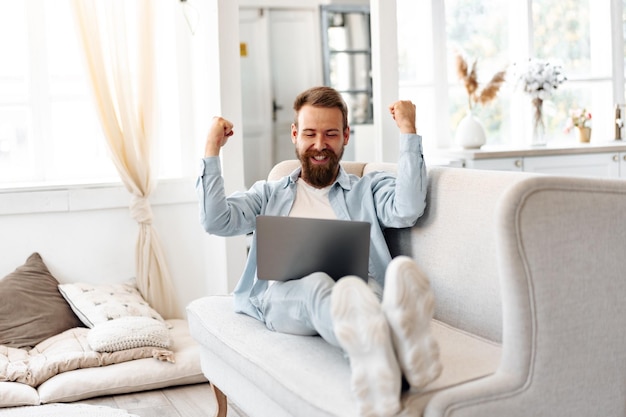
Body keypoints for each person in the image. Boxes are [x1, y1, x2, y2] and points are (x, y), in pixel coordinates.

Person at [196, 86, 442, 417]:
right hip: (285, 298)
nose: (319, 145)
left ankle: (393, 342)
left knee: (357, 289)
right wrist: (212, 149)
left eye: (330, 134)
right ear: (295, 136)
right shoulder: (269, 195)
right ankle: (397, 339)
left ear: (345, 137)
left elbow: (408, 207)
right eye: (310, 133)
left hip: (358, 290)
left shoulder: (366, 189)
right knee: (318, 286)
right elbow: (216, 220)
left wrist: (408, 132)